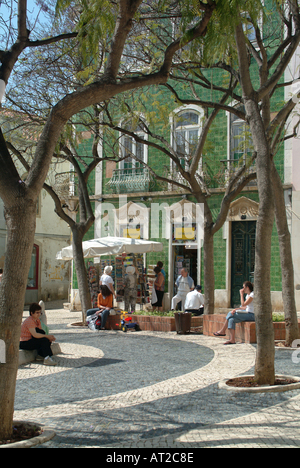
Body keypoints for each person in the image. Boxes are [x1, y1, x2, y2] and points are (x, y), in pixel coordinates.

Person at [213, 281, 255, 345]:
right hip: (247, 313)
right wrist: (236, 309)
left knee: (230, 314)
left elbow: (243, 304)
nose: (242, 289)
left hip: (252, 315)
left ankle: (222, 330)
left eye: (243, 287)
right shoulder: (248, 295)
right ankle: (232, 339)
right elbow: (244, 307)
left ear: (247, 287)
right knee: (231, 319)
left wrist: (241, 294)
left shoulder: (252, 294)